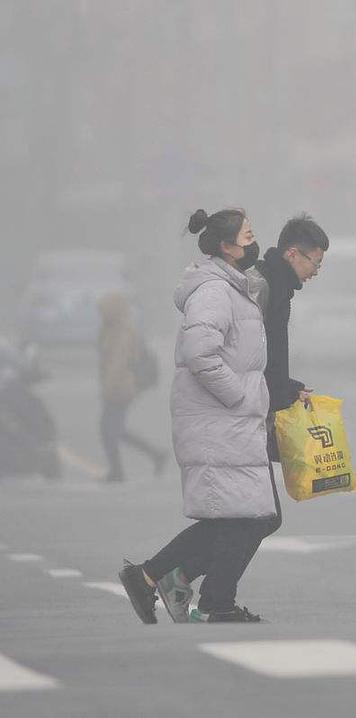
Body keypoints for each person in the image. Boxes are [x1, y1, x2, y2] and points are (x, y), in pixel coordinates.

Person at [118, 208, 274, 624]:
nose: (253, 241)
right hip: (218, 421)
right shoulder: (213, 292)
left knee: (240, 517)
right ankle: (151, 576)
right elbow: (199, 354)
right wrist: (238, 395)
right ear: (226, 246)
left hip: (228, 423)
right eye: (247, 235)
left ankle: (171, 584)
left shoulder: (231, 287)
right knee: (235, 519)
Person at [246, 213, 329, 452]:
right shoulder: (261, 287)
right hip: (246, 416)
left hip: (256, 412)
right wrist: (281, 393)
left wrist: (289, 390)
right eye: (315, 262)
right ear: (292, 253)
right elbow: (252, 356)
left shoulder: (277, 285)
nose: (316, 271)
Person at [97, 292, 166, 482]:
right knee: (114, 430)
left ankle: (117, 471)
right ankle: (156, 455)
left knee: (108, 430)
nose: (102, 314)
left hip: (121, 388)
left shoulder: (123, 332)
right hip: (116, 387)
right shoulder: (110, 329)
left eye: (105, 310)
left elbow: (118, 363)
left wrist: (108, 388)